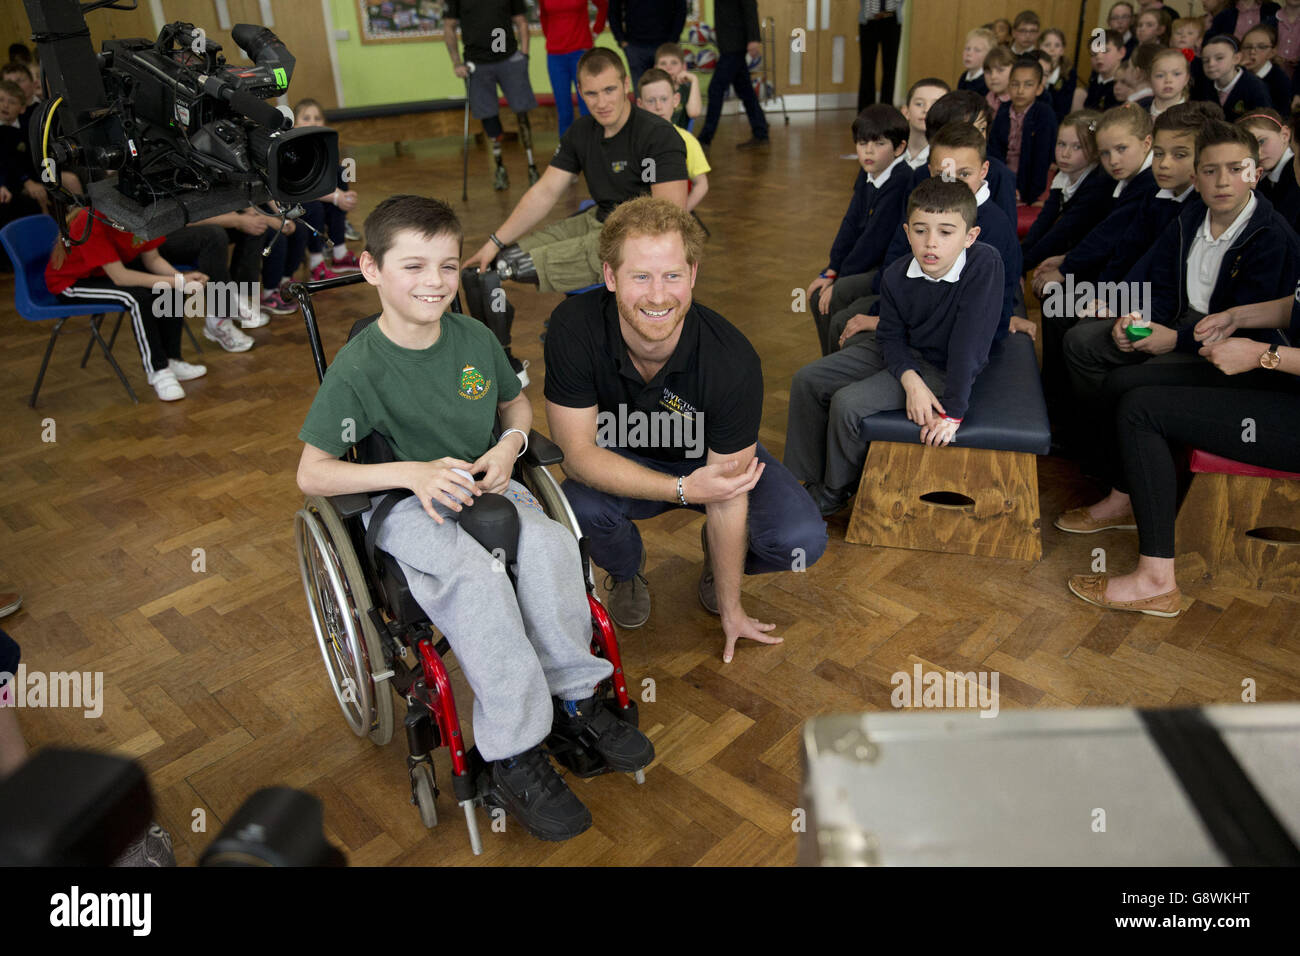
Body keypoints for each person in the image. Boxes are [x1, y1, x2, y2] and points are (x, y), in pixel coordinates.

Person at [296, 194, 653, 842]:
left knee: (547, 547)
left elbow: (516, 409)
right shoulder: (360, 367)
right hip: (405, 502)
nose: (433, 282)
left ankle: (575, 699)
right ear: (372, 270)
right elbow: (312, 473)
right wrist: (411, 473)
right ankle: (513, 748)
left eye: (446, 265)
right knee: (478, 577)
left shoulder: (474, 339)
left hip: (485, 481)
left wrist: (508, 447)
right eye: (413, 266)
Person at [543, 196, 827, 660]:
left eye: (672, 275)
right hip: (623, 459)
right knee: (577, 504)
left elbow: (728, 490)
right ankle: (627, 569)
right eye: (640, 276)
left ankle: (720, 562)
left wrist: (733, 609)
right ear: (610, 277)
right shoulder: (572, 328)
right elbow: (577, 454)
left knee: (800, 538)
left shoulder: (732, 360)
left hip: (710, 463)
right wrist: (681, 489)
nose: (658, 295)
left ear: (692, 275)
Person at [1058, 119, 1299, 479]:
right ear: (1196, 178)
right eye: (1210, 171)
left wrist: (1175, 340)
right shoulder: (1192, 215)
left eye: (1236, 169)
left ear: (1256, 174)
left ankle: (1120, 473)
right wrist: (1136, 316)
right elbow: (1164, 285)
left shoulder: (1272, 236)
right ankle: (1100, 452)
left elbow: (1243, 331)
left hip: (1222, 350)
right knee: (1081, 341)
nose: (1222, 181)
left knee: (1131, 383)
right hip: (1175, 322)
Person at [1066, 292, 1300, 617]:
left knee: (1140, 412)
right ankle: (1126, 500)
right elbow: (1295, 303)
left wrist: (1263, 354)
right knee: (1124, 382)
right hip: (1286, 379)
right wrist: (1236, 316)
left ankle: (1155, 583)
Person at [784, 177, 1004, 519]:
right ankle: (809, 480)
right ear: (906, 231)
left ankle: (834, 490)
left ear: (969, 236)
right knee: (807, 380)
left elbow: (969, 345)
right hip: (903, 356)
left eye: (946, 232)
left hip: (945, 366)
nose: (931, 243)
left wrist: (953, 411)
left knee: (847, 404)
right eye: (920, 230)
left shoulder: (984, 264)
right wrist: (909, 380)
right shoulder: (897, 274)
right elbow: (889, 335)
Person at [464, 47, 688, 296]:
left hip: (637, 236)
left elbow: (669, 218)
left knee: (513, 268)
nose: (601, 103)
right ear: (580, 92)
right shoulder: (581, 132)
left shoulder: (657, 135)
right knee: (496, 262)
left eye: (609, 90)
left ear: (626, 85)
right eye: (591, 93)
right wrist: (494, 242)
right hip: (598, 219)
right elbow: (546, 191)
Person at [832, 121, 1026, 351]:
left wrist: (884, 321)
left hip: (936, 335)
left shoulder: (995, 228)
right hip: (907, 306)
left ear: (983, 171)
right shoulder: (925, 205)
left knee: (847, 330)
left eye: (964, 174)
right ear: (931, 172)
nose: (953, 183)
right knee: (840, 320)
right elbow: (898, 257)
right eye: (943, 175)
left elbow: (955, 305)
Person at [44, 209, 227, 401]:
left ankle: (172, 359)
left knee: (169, 288)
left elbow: (153, 259)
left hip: (105, 273)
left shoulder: (142, 215)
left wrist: (180, 279)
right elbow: (120, 277)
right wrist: (181, 282)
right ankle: (158, 371)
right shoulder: (89, 221)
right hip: (73, 283)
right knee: (137, 298)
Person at [806, 104, 911, 357]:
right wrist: (831, 269)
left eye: (879, 143)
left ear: (899, 148)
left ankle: (833, 364)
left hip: (886, 268)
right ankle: (829, 359)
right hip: (867, 263)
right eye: (862, 143)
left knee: (836, 295)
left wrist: (838, 280)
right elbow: (850, 224)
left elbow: (873, 242)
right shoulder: (867, 174)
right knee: (817, 295)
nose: (868, 150)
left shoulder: (900, 180)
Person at [444, 0, 541, 191]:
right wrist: (456, 63)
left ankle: (531, 166)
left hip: (508, 58)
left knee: (522, 112)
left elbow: (521, 21)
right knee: (488, 116)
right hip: (477, 63)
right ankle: (499, 167)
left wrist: (524, 55)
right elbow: (449, 27)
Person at [1021, 110, 1116, 271]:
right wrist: (1019, 256)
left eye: (1077, 147)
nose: (1065, 154)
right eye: (1061, 144)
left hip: (1095, 260)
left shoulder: (1097, 185)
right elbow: (1044, 220)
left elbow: (1062, 232)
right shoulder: (1063, 175)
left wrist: (1021, 266)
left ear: (1095, 151)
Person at [292, 99, 362, 281]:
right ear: (295, 124)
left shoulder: (323, 146)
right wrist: (337, 196)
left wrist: (343, 196)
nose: (313, 122)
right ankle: (317, 263)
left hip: (320, 195)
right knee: (314, 206)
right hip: (296, 199)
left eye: (317, 118)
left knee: (340, 173)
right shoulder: (293, 148)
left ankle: (339, 253)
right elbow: (303, 187)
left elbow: (324, 181)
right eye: (306, 118)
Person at [698, 0, 769, 150]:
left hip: (734, 45)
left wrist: (754, 39)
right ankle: (761, 132)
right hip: (729, 44)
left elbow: (750, 6)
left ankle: (705, 139)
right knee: (746, 91)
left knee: (715, 89)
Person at [636, 69, 709, 213]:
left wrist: (681, 213)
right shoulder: (635, 139)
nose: (658, 106)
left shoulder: (686, 140)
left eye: (664, 99)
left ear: (675, 100)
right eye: (651, 101)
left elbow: (702, 184)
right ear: (640, 104)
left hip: (670, 213)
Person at [989, 56, 1058, 206]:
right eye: (1015, 84)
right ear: (1008, 86)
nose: (1020, 91)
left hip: (1029, 183)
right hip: (1002, 177)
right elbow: (994, 152)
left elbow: (1042, 158)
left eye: (1028, 85)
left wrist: (1028, 194)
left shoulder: (1044, 114)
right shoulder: (1003, 111)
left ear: (1039, 88)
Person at [538, 0, 607, 138]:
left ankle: (593, 147)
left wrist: (596, 30)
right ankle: (567, 152)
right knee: (563, 109)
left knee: (587, 104)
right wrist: (553, 38)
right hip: (555, 56)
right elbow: (544, 17)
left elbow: (604, 5)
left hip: (580, 53)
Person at [1240, 108, 1299, 226]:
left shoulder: (1296, 174)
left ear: (1285, 135)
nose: (1258, 153)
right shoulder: (1263, 179)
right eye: (1250, 147)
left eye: (1261, 141)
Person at [608, 0, 687, 86]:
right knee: (641, 92)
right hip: (635, 47)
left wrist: (673, 40)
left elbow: (681, 9)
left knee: (670, 88)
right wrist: (621, 40)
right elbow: (613, 11)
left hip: (665, 45)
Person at [1195, 33, 1273, 116]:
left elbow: (1263, 120)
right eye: (1205, 60)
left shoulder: (1255, 87)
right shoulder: (1202, 84)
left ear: (1236, 58)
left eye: (1219, 58)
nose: (1211, 64)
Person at [858, 0, 904, 110]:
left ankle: (887, 110)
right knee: (867, 68)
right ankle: (866, 110)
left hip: (892, 21)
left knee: (890, 68)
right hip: (869, 21)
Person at [900, 78, 951, 170]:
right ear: (906, 112)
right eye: (919, 104)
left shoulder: (948, 159)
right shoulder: (890, 152)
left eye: (935, 105)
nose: (926, 110)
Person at [1241, 24, 1294, 109]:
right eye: (1247, 47)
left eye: (1261, 47)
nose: (1252, 52)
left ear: (1272, 53)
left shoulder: (1280, 80)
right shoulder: (1238, 72)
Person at [1075, 29, 1127, 111]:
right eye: (1094, 54)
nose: (1099, 57)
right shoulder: (1094, 83)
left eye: (1105, 51)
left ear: (1121, 52)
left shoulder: (1127, 85)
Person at [655, 43, 702, 129]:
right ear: (656, 68)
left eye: (674, 63)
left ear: (683, 67)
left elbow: (694, 113)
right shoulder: (651, 91)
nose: (668, 67)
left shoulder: (685, 91)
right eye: (663, 63)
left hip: (679, 139)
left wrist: (694, 80)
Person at [1040, 28, 1079, 120]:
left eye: (1057, 45)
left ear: (1062, 50)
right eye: (1047, 45)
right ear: (1039, 47)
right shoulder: (1033, 69)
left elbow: (1064, 108)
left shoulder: (1069, 74)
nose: (1052, 49)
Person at [1150, 46, 1194, 117]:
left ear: (1186, 79)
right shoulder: (1140, 115)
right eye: (1160, 75)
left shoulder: (1194, 116)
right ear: (1150, 79)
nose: (1168, 80)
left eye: (1176, 74)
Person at [958, 28, 995, 97]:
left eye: (977, 50)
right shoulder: (964, 76)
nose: (969, 53)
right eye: (967, 48)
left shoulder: (987, 82)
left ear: (989, 55)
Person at [982, 45, 1015, 114]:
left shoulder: (1017, 102)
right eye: (988, 72)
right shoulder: (989, 97)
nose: (993, 76)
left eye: (1000, 70)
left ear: (1014, 71)